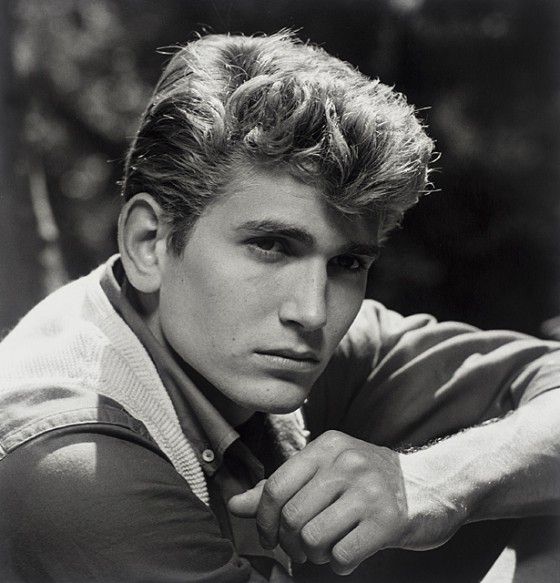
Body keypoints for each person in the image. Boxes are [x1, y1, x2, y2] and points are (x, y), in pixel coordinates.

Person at [0, 31, 558, 583]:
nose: (313, 313)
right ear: (149, 243)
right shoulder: (71, 468)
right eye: (271, 246)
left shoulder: (261, 342)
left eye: (348, 264)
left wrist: (439, 481)